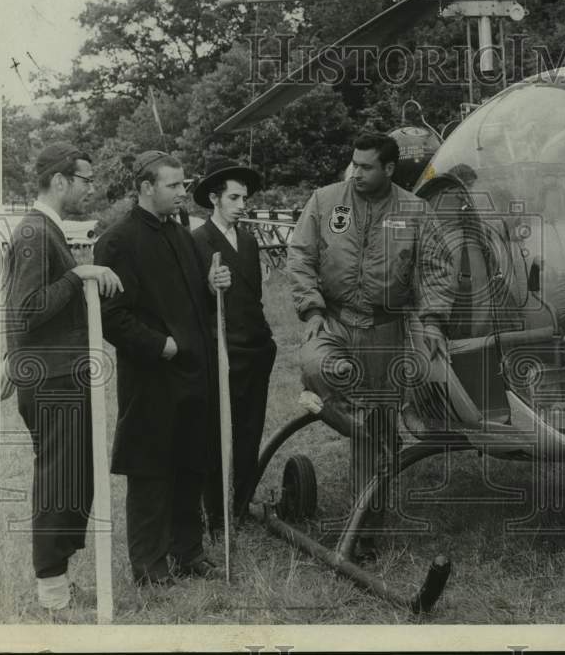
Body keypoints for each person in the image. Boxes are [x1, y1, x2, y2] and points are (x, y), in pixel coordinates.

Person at [287, 133, 456, 563]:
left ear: (388, 169)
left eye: (365, 167)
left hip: (385, 332)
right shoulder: (325, 201)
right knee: (319, 368)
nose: (356, 172)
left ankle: (365, 535)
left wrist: (433, 320)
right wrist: (311, 310)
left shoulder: (415, 212)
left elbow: (437, 269)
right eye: (353, 163)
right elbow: (301, 255)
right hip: (334, 321)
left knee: (377, 434)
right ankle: (325, 403)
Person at [94, 150, 230, 586]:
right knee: (151, 471)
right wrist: (162, 346)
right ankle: (149, 569)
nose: (182, 193)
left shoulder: (181, 233)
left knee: (191, 464)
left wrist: (211, 287)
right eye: (173, 185)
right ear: (146, 187)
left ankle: (187, 552)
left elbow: (192, 297)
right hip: (152, 377)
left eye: (183, 185)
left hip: (194, 372)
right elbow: (112, 317)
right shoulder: (117, 240)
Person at [4, 142, 123, 611]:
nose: (90, 187)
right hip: (53, 381)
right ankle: (52, 590)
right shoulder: (36, 231)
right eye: (85, 179)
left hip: (56, 374)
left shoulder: (45, 228)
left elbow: (16, 307)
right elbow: (27, 309)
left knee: (72, 478)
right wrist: (81, 275)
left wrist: (13, 361)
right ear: (60, 181)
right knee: (59, 482)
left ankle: (58, 583)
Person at [191, 156, 276, 525]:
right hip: (222, 352)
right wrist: (210, 289)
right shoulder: (196, 242)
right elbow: (192, 303)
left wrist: (266, 341)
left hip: (256, 350)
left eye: (245, 199)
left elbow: (253, 297)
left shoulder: (248, 240)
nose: (243, 206)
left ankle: (239, 505)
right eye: (235, 199)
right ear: (215, 199)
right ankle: (216, 513)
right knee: (216, 435)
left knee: (250, 431)